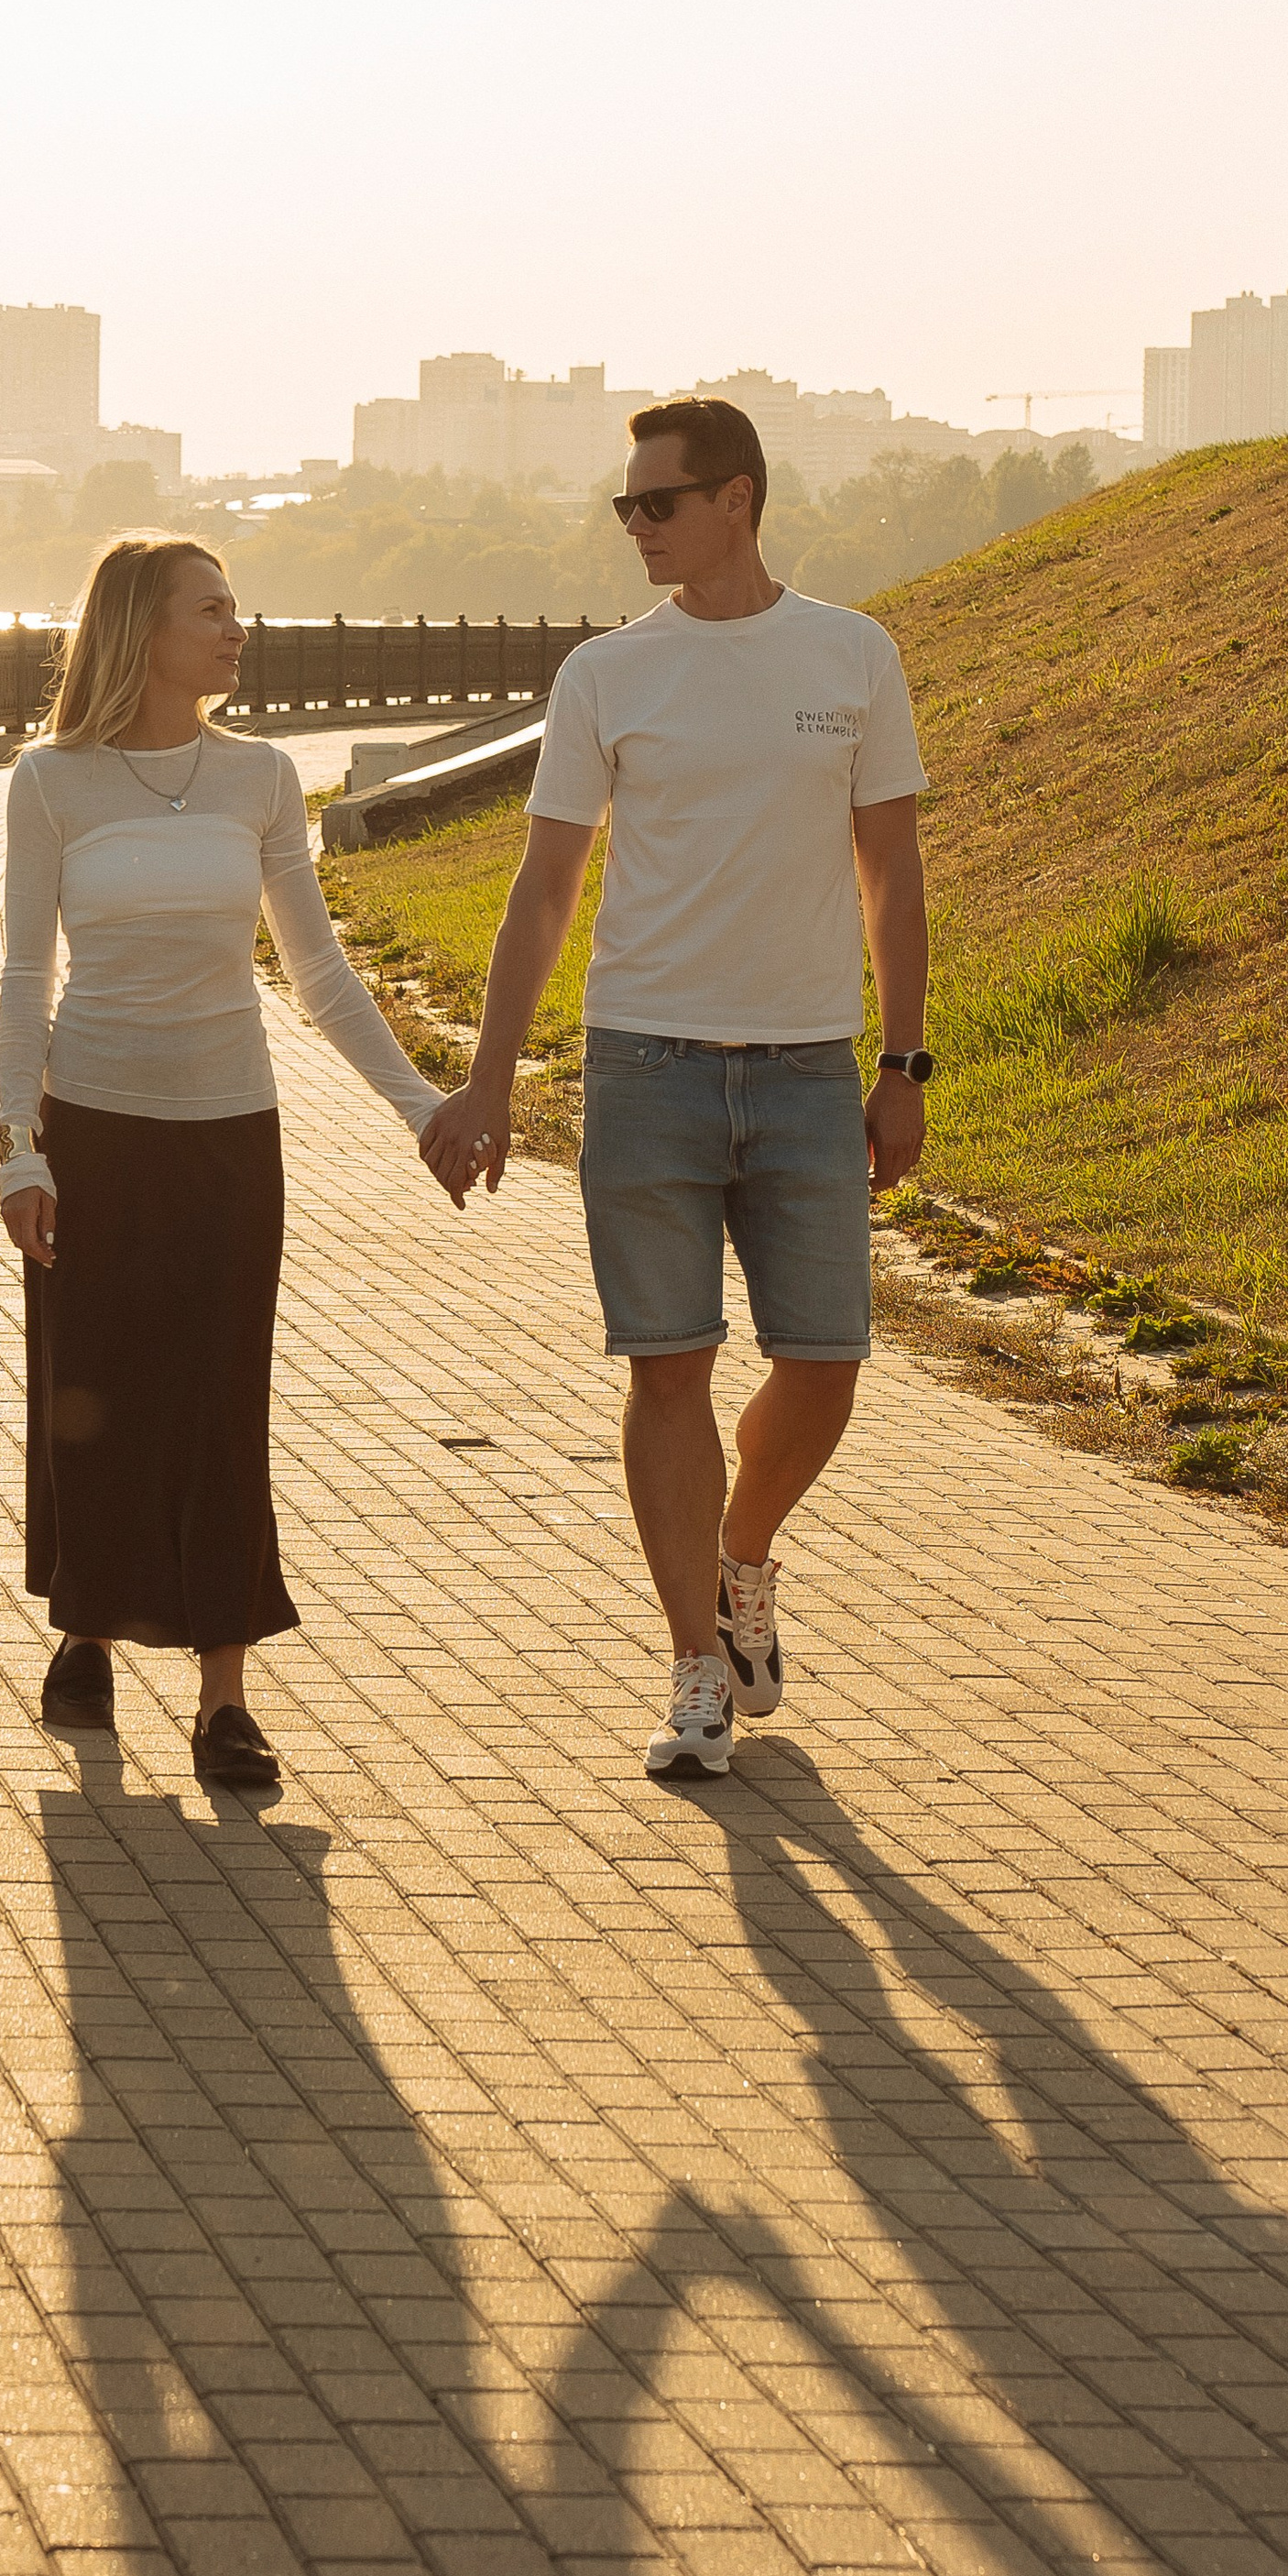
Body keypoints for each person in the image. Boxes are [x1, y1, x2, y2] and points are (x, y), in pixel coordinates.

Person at [421, 396, 932, 1782]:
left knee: (824, 1364)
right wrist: (488, 1083)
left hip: (811, 1071)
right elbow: (542, 891)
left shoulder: (851, 654)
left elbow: (891, 870)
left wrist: (903, 1063)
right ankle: (695, 1663)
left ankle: (742, 1557)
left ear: (738, 501)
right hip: (643, 1063)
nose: (636, 526)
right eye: (626, 507)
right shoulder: (606, 676)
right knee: (668, 1364)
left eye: (659, 503)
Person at [0, 532, 448, 1788]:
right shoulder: (51, 781)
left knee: (217, 1403)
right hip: (91, 1129)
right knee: (95, 1400)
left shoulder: (260, 778)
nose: (237, 629)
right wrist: (18, 1152)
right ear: (145, 630)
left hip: (228, 1139)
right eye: (213, 610)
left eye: (237, 608)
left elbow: (317, 973)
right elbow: (25, 975)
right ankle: (86, 1627)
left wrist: (419, 1105)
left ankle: (223, 1697)